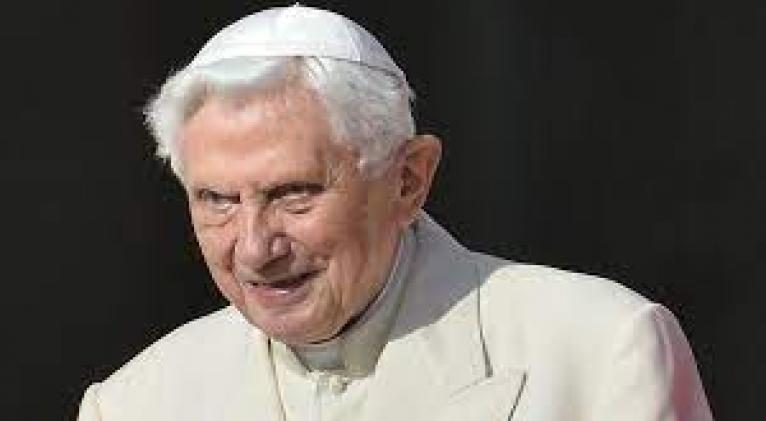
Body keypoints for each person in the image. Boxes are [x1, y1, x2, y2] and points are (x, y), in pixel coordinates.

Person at [77, 5, 713, 421]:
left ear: (409, 180)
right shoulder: (136, 404)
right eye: (217, 200)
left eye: (293, 193)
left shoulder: (599, 351)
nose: (254, 248)